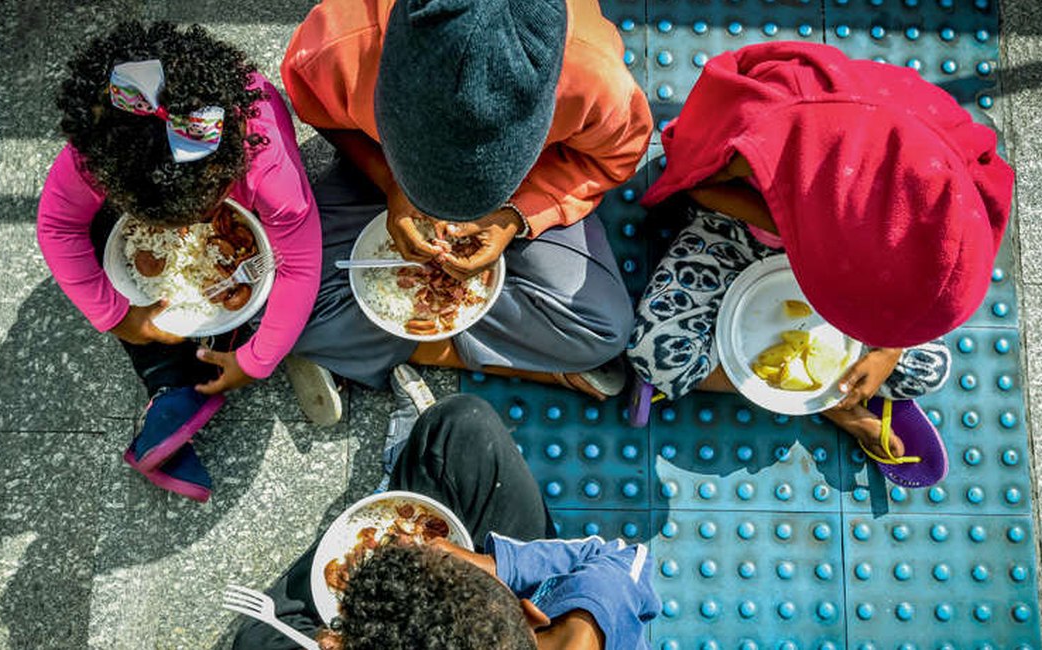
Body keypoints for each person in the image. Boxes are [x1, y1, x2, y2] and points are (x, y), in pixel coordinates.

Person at [627, 43, 1015, 487]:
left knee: (928, 363)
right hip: (736, 227)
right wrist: (797, 231)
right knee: (657, 358)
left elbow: (932, 261)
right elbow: (702, 186)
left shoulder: (934, 173)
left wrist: (890, 348)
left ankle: (816, 387)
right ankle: (832, 404)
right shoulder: (766, 129)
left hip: (841, 248)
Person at [277, 0, 653, 419]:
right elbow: (318, 110)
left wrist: (515, 216)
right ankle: (529, 358)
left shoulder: (593, 77)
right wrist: (389, 182)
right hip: (381, 180)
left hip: (532, 189)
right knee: (278, 302)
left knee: (603, 330)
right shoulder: (339, 45)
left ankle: (375, 348)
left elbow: (614, 157)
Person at [36, 21, 321, 501]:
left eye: (199, 216)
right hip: (153, 171)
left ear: (229, 174)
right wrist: (117, 316)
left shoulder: (269, 169)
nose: (182, 234)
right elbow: (56, 226)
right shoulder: (102, 152)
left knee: (277, 291)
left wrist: (257, 362)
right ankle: (179, 386)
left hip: (250, 180)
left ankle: (175, 386)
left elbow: (301, 263)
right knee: (100, 243)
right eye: (163, 222)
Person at [232, 369, 660, 649]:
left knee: (258, 638)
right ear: (528, 610)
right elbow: (621, 559)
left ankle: (400, 479)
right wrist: (496, 564)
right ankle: (410, 478)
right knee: (463, 426)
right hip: (531, 595)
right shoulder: (589, 624)